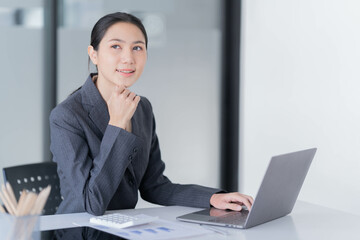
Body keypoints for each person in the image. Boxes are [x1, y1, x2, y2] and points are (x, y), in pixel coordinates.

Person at [49, 12, 253, 216]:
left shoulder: (141, 108)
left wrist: (211, 198)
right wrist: (118, 124)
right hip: (78, 230)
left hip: (123, 228)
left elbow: (154, 185)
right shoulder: (67, 116)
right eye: (116, 46)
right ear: (93, 54)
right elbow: (92, 203)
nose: (128, 58)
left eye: (137, 48)